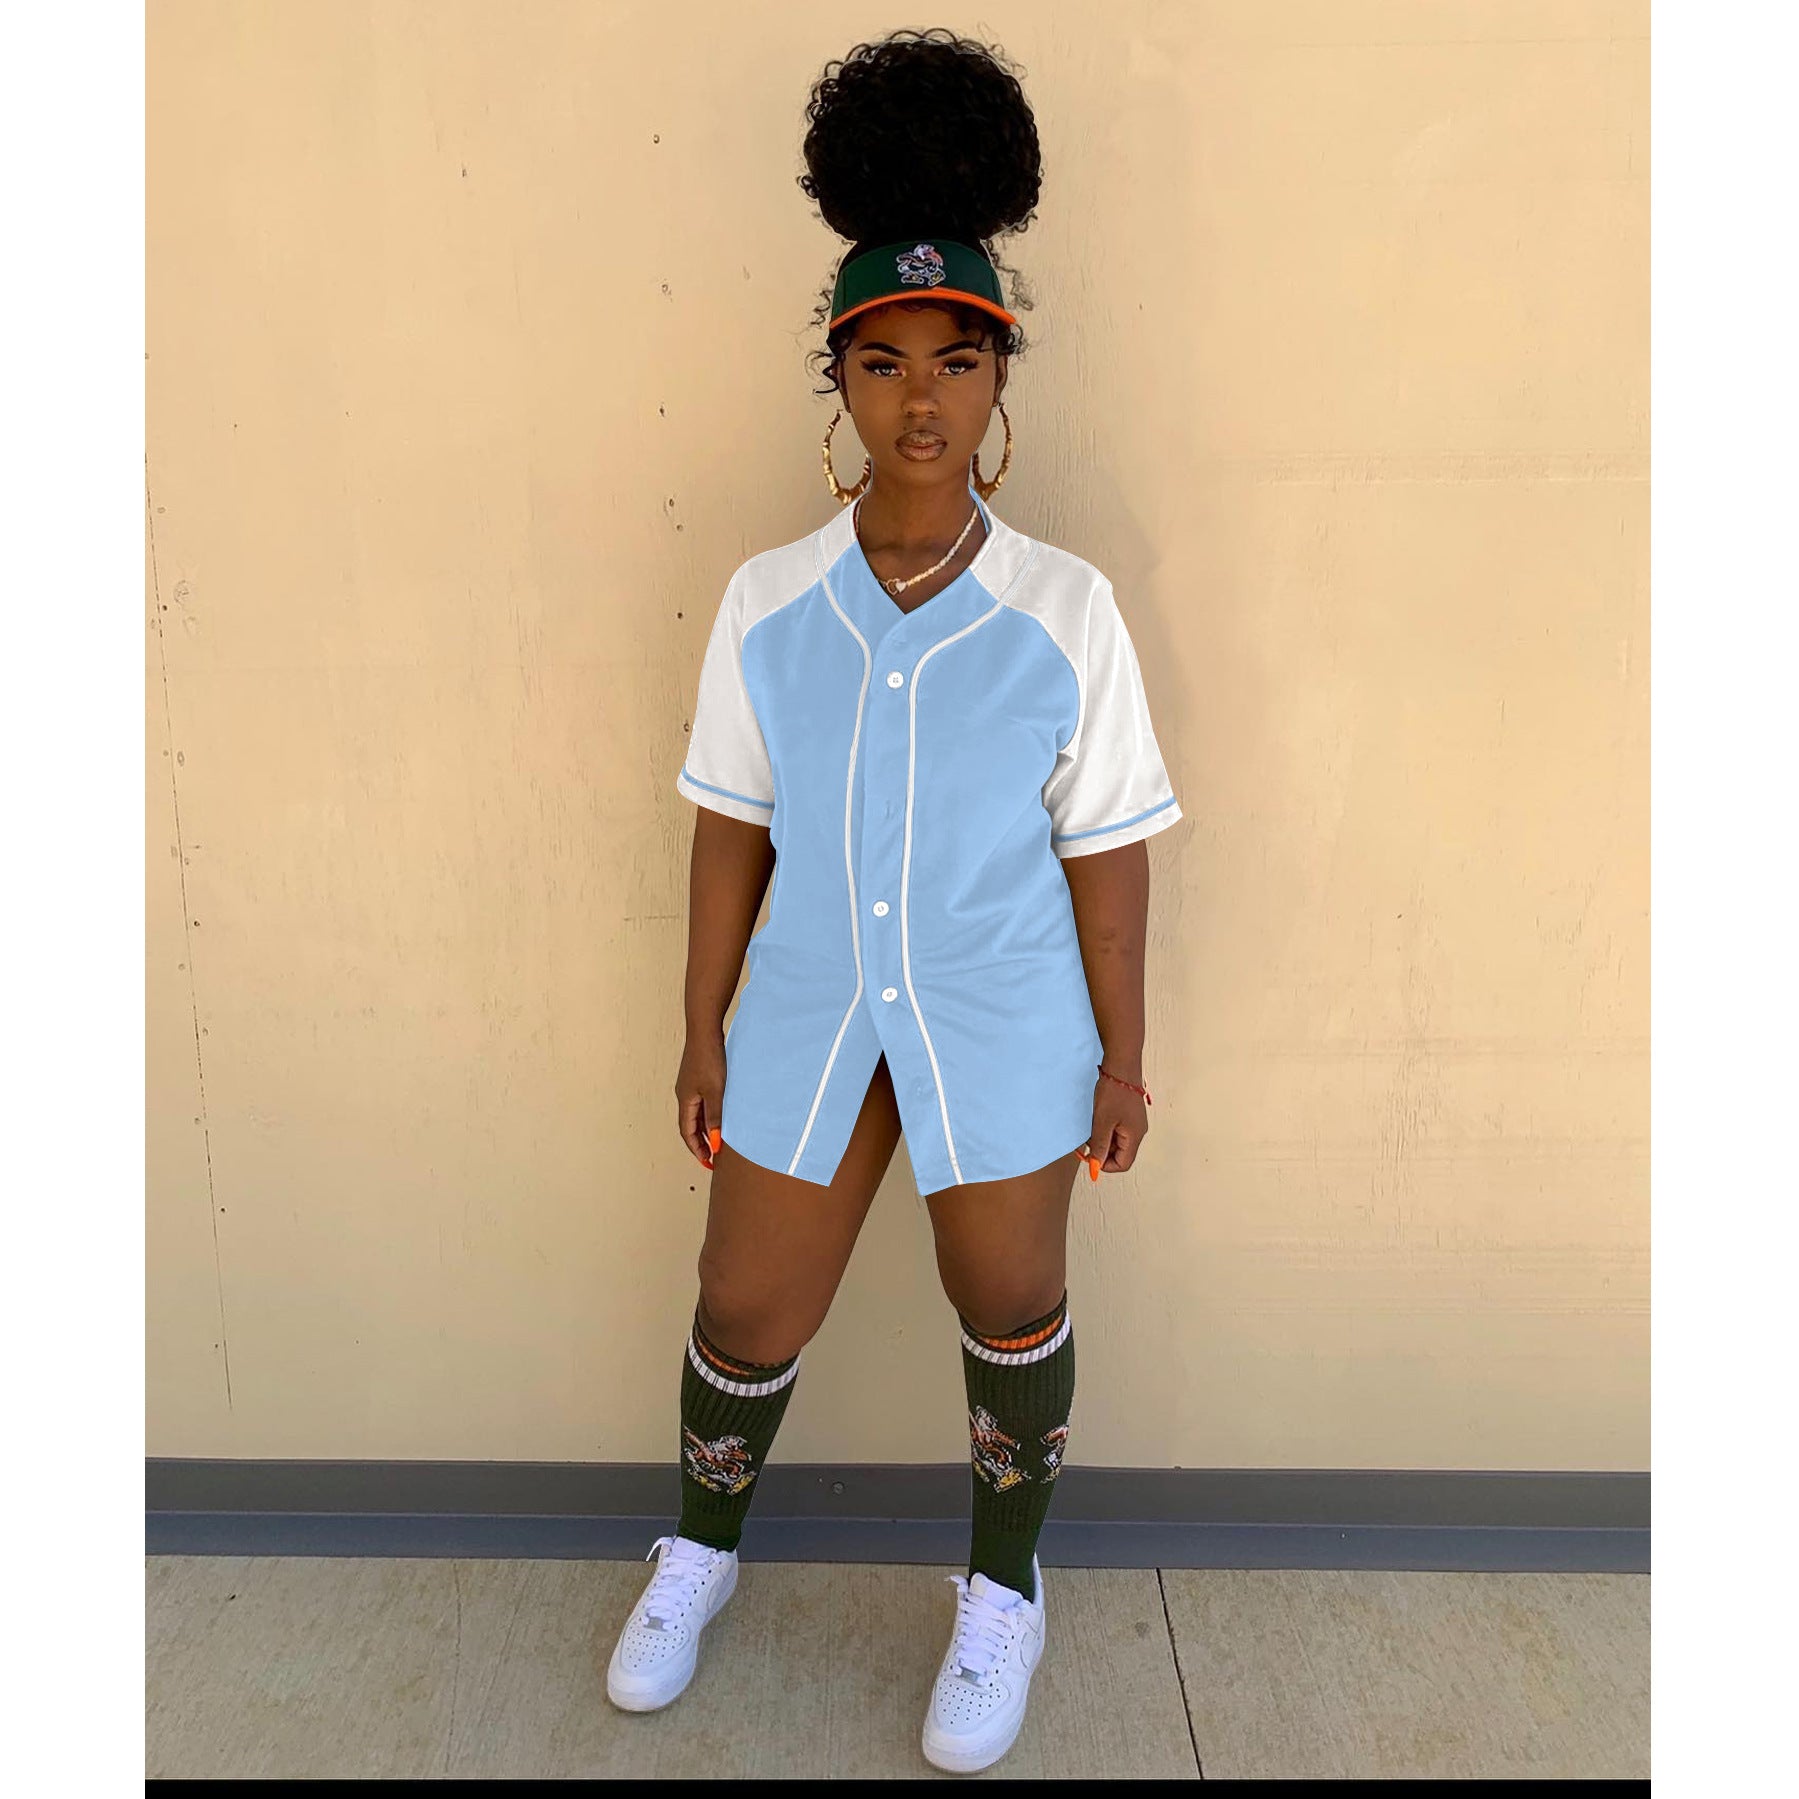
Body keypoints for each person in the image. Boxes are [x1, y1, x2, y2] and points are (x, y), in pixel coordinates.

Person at [605, 28, 1181, 1774]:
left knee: (1007, 1303)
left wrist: (1123, 1056)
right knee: (743, 1305)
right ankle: (698, 1552)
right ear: (839, 381)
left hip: (1006, 1015)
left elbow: (1108, 850)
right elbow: (730, 826)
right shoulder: (768, 603)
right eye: (882, 361)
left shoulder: (1067, 610)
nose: (920, 399)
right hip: (804, 1008)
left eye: (957, 360)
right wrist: (700, 1025)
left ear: (999, 379)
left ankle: (1004, 1591)